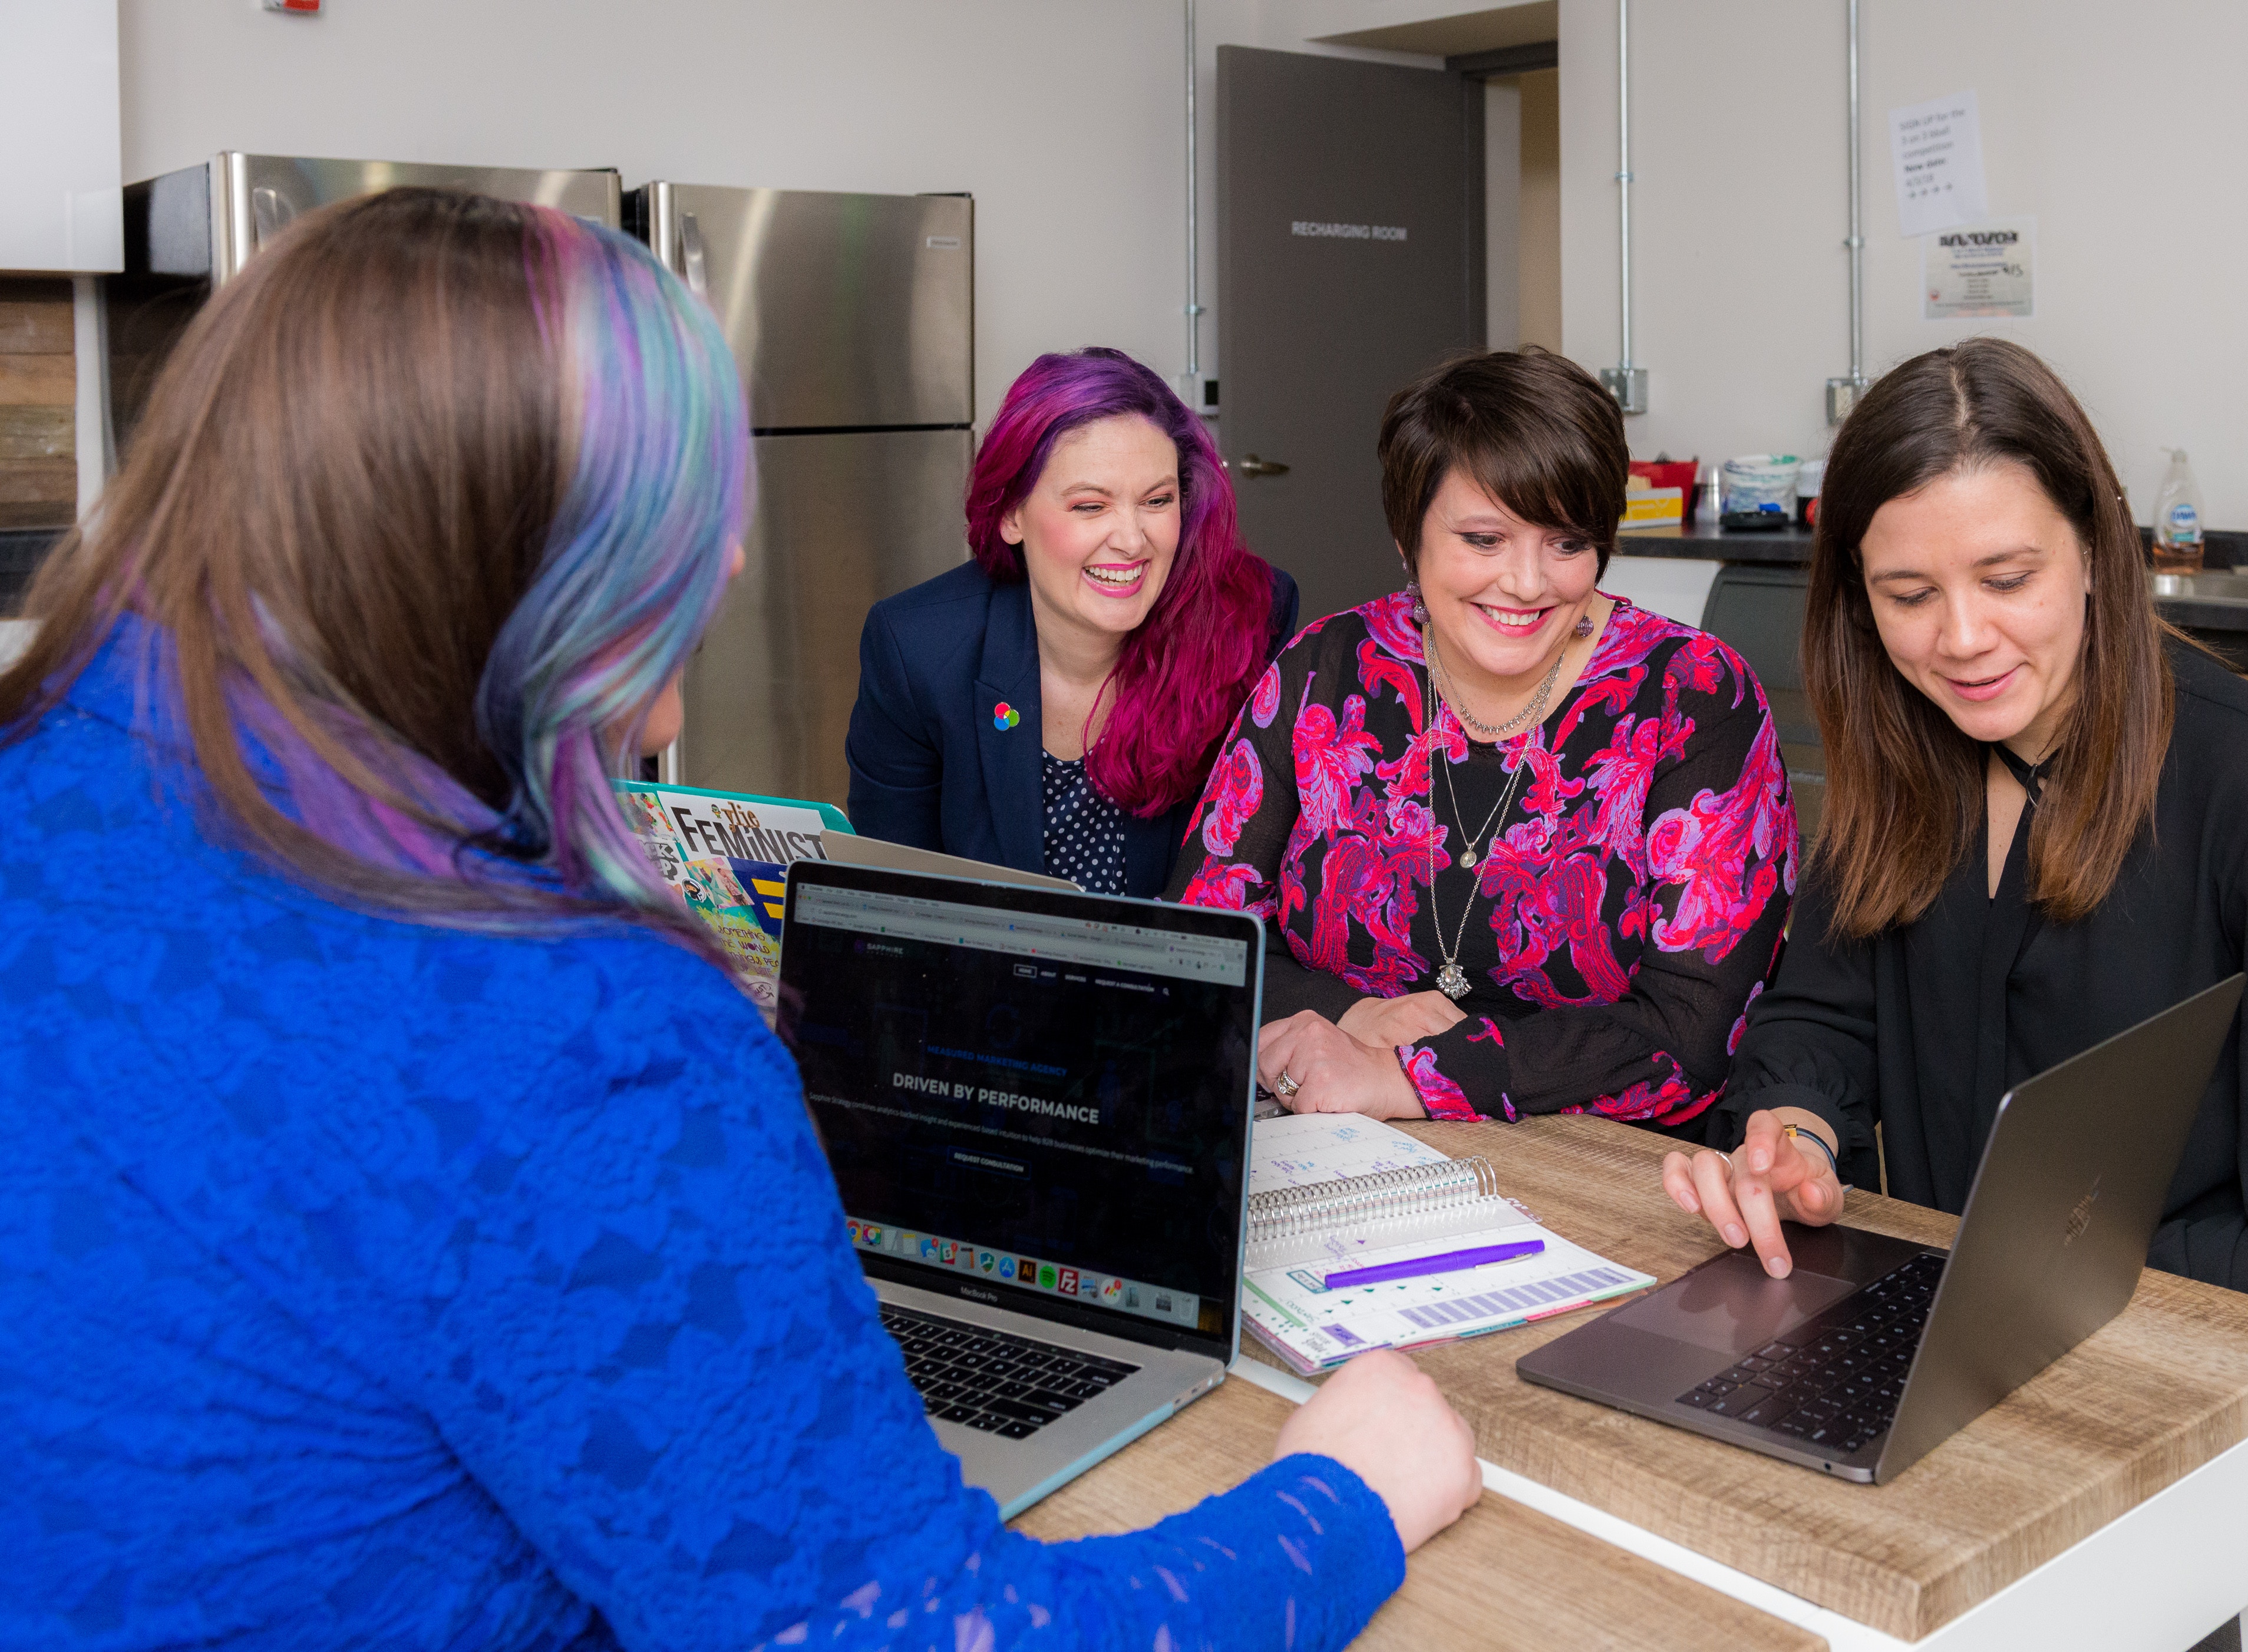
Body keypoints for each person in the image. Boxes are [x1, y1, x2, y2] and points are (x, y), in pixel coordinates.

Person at [0, 189, 1479, 1648]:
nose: (731, 564)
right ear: (546, 556)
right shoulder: (576, 1026)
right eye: (693, 512)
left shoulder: (47, 771)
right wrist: (1339, 1492)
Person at [1659, 337, 2248, 1542]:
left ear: (2095, 550)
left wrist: (2026, 1274)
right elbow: (1818, 1014)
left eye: (2007, 576)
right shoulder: (1909, 762)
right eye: (1909, 596)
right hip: (1977, 1351)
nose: (1963, 639)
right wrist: (1795, 1134)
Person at [1170, 348, 1795, 1130]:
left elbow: (1692, 1033)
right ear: (1409, 538)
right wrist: (1354, 1014)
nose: (1529, 584)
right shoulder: (1325, 670)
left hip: (1603, 1171)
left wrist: (1414, 1079)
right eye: (1484, 539)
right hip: (1339, 1141)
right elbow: (1202, 939)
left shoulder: (1693, 696)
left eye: (1565, 543)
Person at [844, 349, 1300, 897]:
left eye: (1157, 501)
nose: (1133, 540)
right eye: (1090, 506)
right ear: (1012, 514)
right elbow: (889, 899)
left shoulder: (1248, 615)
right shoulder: (916, 648)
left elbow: (1272, 880)